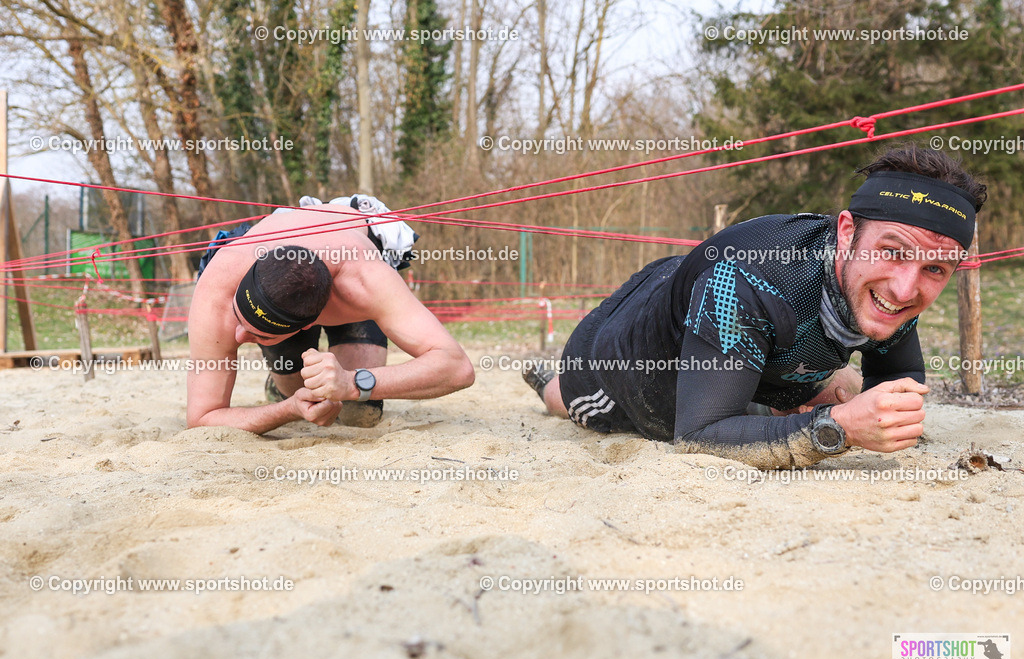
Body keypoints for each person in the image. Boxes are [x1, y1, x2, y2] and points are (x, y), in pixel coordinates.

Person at [523, 145, 987, 469]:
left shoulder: (891, 285)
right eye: (893, 251)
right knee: (572, 401)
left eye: (936, 270)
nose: (907, 290)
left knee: (830, 391)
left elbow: (897, 384)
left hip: (719, 320)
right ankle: (549, 382)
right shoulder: (743, 282)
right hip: (622, 356)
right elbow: (698, 436)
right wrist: (839, 428)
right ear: (847, 232)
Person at [187, 195, 474, 434]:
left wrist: (350, 383)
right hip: (287, 256)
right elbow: (201, 418)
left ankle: (310, 372)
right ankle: (279, 385)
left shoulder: (366, 279)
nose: (239, 337)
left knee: (360, 412)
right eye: (240, 317)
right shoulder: (218, 292)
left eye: (259, 334)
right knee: (297, 394)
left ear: (306, 324)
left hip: (346, 253)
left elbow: (457, 367)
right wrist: (288, 409)